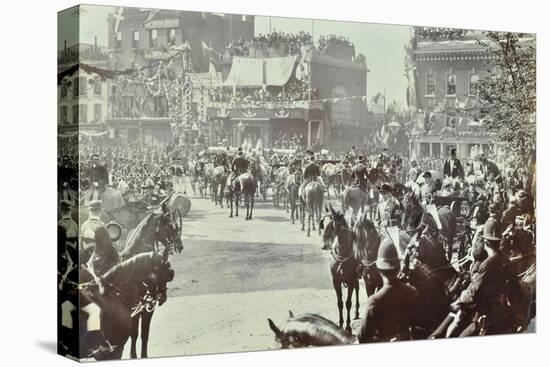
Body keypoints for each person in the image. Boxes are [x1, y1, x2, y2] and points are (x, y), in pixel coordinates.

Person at [452, 216, 523, 336]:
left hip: (487, 318)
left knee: (461, 336)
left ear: (485, 243)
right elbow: (517, 293)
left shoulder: (486, 265)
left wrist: (460, 301)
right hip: (505, 316)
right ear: (500, 241)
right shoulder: (507, 262)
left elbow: (473, 292)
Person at [357, 238, 422, 343]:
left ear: (379, 270)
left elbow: (362, 337)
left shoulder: (374, 301)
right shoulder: (412, 292)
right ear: (398, 269)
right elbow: (419, 324)